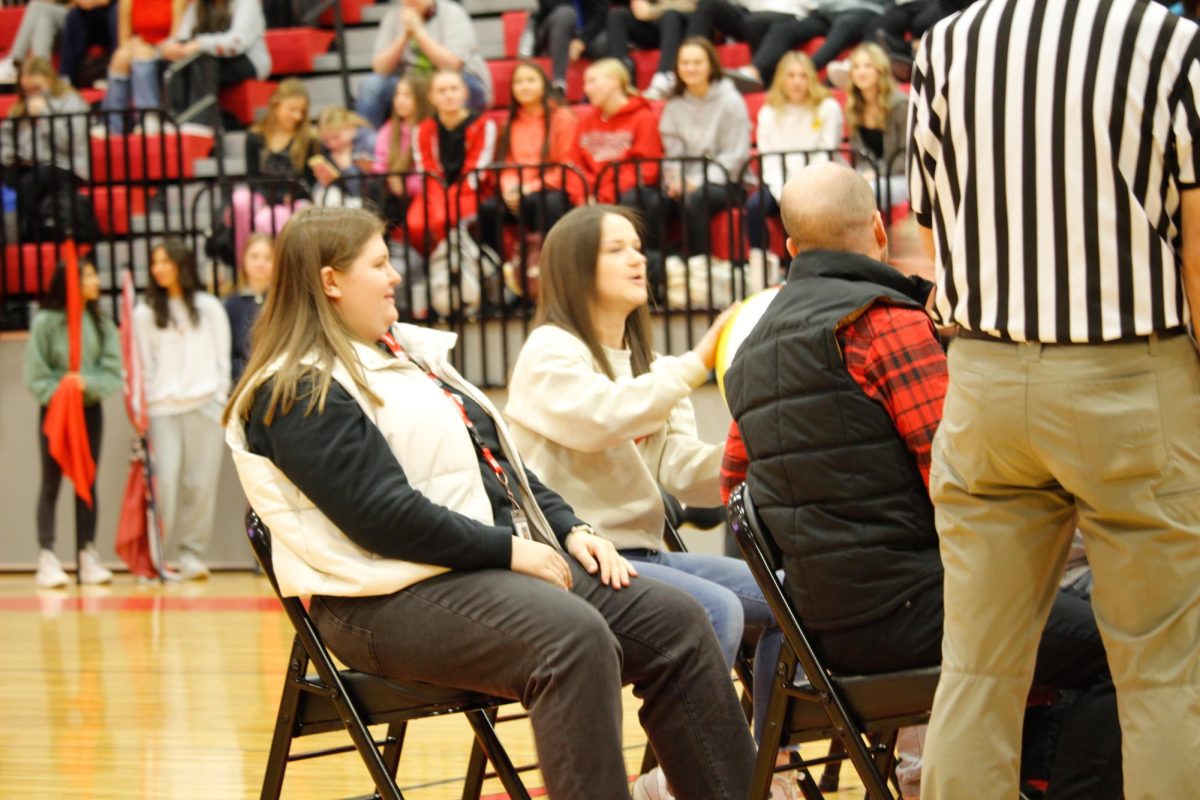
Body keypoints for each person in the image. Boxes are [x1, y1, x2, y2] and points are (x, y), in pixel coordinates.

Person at [222, 205, 757, 800]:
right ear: (330, 281)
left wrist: (570, 527)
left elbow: (502, 463)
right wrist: (509, 551)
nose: (396, 276)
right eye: (379, 263)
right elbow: (382, 518)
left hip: (469, 571)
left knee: (681, 621)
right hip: (375, 599)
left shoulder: (411, 358)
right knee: (573, 639)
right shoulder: (295, 383)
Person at [723, 162, 1124, 800]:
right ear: (879, 232)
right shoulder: (884, 323)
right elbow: (965, 481)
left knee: (1064, 612)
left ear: (792, 250)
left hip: (821, 629)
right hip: (918, 614)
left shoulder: (750, 353)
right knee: (1116, 643)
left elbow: (735, 497)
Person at [906, 2, 1200, 797]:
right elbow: (1199, 246)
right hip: (1134, 373)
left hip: (986, 376)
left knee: (976, 668)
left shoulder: (944, 45)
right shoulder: (1167, 42)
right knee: (1166, 673)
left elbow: (935, 227)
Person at [505, 205, 793, 799]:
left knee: (793, 602)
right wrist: (696, 363)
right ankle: (667, 777)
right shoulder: (548, 351)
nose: (639, 258)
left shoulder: (651, 369)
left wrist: (765, 446)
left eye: (638, 246)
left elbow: (683, 473)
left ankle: (767, 764)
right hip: (576, 561)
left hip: (645, 556)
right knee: (719, 611)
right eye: (617, 249)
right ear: (574, 267)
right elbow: (601, 420)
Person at [134, 237, 231, 580]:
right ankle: (154, 559)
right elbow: (141, 367)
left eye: (165, 261)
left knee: (200, 485)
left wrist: (220, 397)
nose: (158, 269)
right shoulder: (144, 313)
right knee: (164, 487)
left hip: (205, 405)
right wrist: (141, 411)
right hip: (162, 410)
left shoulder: (209, 307)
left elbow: (223, 360)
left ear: (181, 264)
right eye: (154, 263)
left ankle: (192, 555)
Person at [22, 258, 122, 588]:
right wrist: (63, 389)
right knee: (50, 483)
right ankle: (47, 555)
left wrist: (86, 384)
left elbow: (111, 372)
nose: (96, 280)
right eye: (90, 274)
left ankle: (86, 552)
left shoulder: (100, 321)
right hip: (56, 410)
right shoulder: (46, 322)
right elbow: (35, 375)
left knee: (86, 480)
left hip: (89, 409)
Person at [477, 61, 583, 269]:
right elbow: (506, 163)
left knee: (540, 203)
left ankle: (546, 269)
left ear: (544, 85)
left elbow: (565, 165)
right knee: (488, 209)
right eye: (518, 82)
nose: (524, 86)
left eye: (530, 80)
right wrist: (510, 187)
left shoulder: (562, 118)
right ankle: (498, 274)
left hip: (551, 188)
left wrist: (529, 188)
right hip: (518, 190)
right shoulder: (509, 121)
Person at [745, 51, 842, 259]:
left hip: (817, 181)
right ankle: (760, 267)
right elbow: (769, 158)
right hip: (778, 182)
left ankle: (801, 270)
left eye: (803, 75)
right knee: (754, 206)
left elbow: (826, 153)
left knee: (807, 211)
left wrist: (802, 190)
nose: (797, 81)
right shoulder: (769, 112)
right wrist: (784, 193)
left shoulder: (828, 108)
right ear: (781, 79)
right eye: (791, 75)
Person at [658, 38, 750, 256]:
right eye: (685, 63)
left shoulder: (731, 101)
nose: (691, 68)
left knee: (696, 197)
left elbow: (735, 156)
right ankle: (659, 268)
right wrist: (674, 180)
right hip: (686, 182)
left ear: (711, 65)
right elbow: (673, 155)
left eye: (697, 62)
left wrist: (696, 181)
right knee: (653, 201)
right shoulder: (674, 105)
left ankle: (699, 264)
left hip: (728, 182)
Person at [355, 0, 493, 127]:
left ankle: (458, 141)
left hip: (460, 80)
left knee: (451, 87)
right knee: (371, 85)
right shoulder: (392, 18)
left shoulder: (452, 13)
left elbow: (452, 65)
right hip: (412, 83)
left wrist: (419, 32)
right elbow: (380, 68)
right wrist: (404, 36)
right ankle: (366, 147)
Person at [1, 57, 93, 243]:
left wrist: (45, 116)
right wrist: (10, 156)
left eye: (37, 89)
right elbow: (6, 142)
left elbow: (67, 143)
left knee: (29, 183)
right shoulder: (20, 108)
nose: (32, 95)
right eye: (27, 91)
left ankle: (29, 238)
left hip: (66, 166)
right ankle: (6, 239)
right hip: (29, 165)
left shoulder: (71, 102)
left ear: (50, 82)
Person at [406, 69, 496, 251]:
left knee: (445, 220)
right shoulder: (422, 129)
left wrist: (448, 202)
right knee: (415, 225)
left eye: (454, 89)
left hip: (470, 190)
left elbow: (476, 170)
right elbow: (427, 169)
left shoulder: (484, 125)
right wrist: (440, 200)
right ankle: (433, 270)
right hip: (434, 191)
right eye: (441, 91)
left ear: (464, 92)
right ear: (431, 96)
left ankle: (456, 272)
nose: (448, 95)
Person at [231, 79, 318, 254]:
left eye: (302, 111)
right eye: (292, 109)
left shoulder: (308, 139)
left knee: (267, 217)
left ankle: (277, 267)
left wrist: (288, 196)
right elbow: (252, 176)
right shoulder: (255, 136)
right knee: (240, 200)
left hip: (294, 198)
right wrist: (267, 197)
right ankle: (244, 262)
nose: (298, 116)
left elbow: (309, 181)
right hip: (264, 193)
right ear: (276, 105)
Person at [157, 0, 272, 130]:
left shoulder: (246, 3)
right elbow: (183, 37)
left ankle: (201, 124)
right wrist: (169, 48)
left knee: (202, 60)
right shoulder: (197, 7)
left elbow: (237, 43)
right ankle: (172, 119)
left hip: (247, 60)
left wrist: (199, 45)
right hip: (209, 59)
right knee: (173, 62)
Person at [684, 0, 814, 88]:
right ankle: (689, 63)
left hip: (789, 13)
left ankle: (758, 77)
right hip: (750, 13)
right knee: (708, 5)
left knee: (754, 22)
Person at [97, 0, 178, 134]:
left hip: (167, 50)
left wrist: (152, 46)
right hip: (139, 47)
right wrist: (134, 46)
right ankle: (113, 124)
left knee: (142, 53)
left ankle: (150, 116)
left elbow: (177, 36)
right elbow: (124, 39)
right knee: (120, 56)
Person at [845, 42, 907, 209]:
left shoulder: (900, 105)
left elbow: (906, 155)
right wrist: (866, 172)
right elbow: (860, 155)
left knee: (862, 194)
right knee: (838, 191)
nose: (861, 72)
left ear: (880, 70)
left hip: (900, 176)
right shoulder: (854, 106)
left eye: (868, 66)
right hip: (870, 175)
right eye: (856, 67)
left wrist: (877, 173)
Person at [373, 73, 432, 226]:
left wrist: (404, 186)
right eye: (397, 95)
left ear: (422, 99)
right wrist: (387, 177)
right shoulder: (388, 130)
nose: (399, 100)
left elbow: (431, 174)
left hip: (423, 196)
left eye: (407, 95)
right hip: (393, 197)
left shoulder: (430, 129)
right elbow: (380, 165)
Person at [517, 0, 609, 95]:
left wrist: (582, 41)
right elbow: (548, 6)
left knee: (604, 42)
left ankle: (601, 88)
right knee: (566, 13)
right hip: (552, 31)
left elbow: (600, 15)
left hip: (585, 34)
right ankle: (559, 84)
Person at [606, 0, 693, 100]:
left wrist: (652, 11)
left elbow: (692, 5)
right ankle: (620, 79)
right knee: (617, 14)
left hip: (681, 26)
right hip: (653, 27)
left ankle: (664, 78)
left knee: (671, 16)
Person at [223, 232, 274, 382]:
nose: (260, 263)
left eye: (268, 258)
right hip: (243, 380)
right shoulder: (232, 304)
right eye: (254, 256)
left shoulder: (285, 300)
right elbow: (228, 353)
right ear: (244, 259)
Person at [311, 107, 378, 206]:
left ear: (350, 127)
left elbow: (361, 192)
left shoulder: (369, 142)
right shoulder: (329, 150)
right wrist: (324, 180)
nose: (332, 144)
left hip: (367, 201)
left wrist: (347, 167)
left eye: (336, 137)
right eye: (326, 141)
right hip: (342, 198)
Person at [0, 0, 71, 84]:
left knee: (36, 6)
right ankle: (41, 73)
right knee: (43, 22)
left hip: (81, 18)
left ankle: (15, 61)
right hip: (60, 19)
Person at [58, 0, 116, 89]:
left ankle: (111, 75)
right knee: (73, 15)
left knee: (115, 14)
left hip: (110, 8)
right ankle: (67, 77)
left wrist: (94, 2)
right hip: (86, 9)